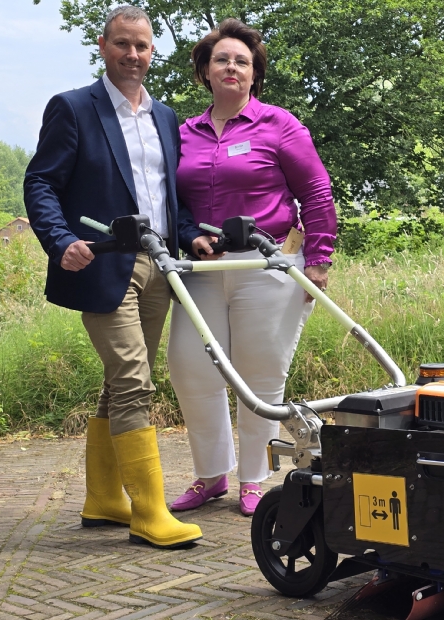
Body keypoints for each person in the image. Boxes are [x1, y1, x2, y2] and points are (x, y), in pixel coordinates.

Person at [24, 5, 212, 549]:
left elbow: (168, 197)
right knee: (133, 379)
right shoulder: (73, 108)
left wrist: (190, 233)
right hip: (104, 265)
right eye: (123, 44)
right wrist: (61, 242)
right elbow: (41, 183)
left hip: (159, 266)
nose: (134, 55)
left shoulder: (166, 117)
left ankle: (103, 498)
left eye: (143, 46)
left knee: (121, 381)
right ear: (103, 47)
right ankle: (150, 512)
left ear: (153, 52)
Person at [168, 18, 337, 516]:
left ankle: (254, 478)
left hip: (268, 266)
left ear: (254, 73)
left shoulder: (279, 125)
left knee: (260, 373)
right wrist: (187, 236)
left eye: (241, 60)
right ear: (205, 70)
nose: (231, 67)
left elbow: (317, 192)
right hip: (201, 269)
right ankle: (210, 475)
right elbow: (172, 203)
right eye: (221, 58)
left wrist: (320, 260)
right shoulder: (183, 133)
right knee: (189, 366)